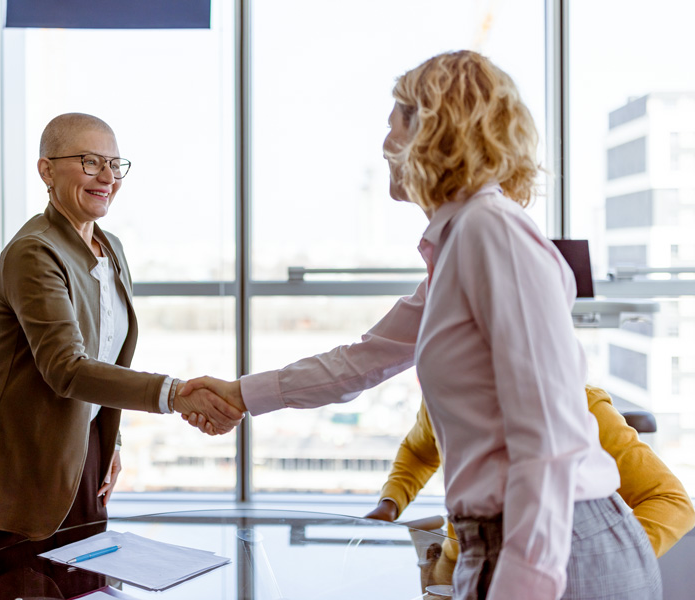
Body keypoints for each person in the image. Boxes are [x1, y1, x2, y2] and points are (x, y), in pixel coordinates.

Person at [182, 51, 662, 599]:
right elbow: (361, 361)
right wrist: (241, 394)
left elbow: (548, 440)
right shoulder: (459, 245)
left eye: (394, 125)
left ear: (433, 129)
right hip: (516, 540)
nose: (385, 145)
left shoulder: (490, 234)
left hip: (554, 547)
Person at [0, 112, 244, 575]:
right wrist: (177, 393)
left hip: (84, 468)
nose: (107, 177)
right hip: (15, 481)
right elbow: (67, 368)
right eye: (90, 162)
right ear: (46, 171)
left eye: (115, 164)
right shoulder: (34, 251)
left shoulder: (111, 247)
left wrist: (111, 438)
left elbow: (106, 354)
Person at [366, 385, 695, 587]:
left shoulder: (583, 407)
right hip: (457, 570)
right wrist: (390, 502)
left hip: (550, 582)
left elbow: (672, 502)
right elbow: (419, 451)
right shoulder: (443, 398)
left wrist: (606, 560)